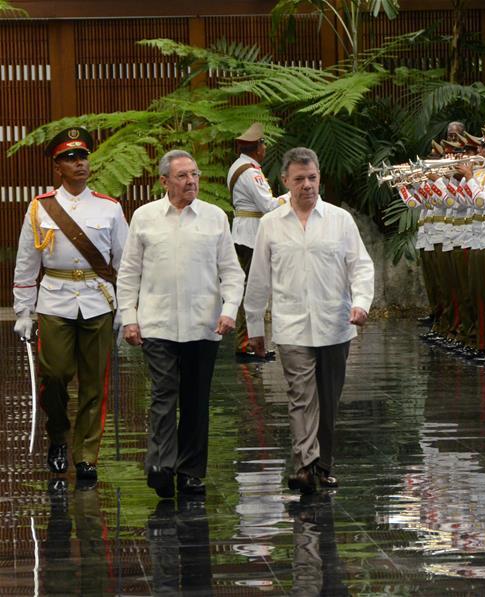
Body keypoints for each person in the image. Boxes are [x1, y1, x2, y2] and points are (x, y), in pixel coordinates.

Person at [244, 147, 374, 494]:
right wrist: (254, 327)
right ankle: (305, 464)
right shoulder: (271, 224)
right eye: (299, 179)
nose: (307, 185)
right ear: (284, 181)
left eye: (312, 178)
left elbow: (360, 265)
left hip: (335, 325)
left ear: (320, 179)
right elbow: (258, 278)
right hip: (292, 326)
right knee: (301, 396)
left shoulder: (339, 220)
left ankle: (324, 465)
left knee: (328, 400)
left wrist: (361, 303)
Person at [116, 149, 245, 498]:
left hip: (204, 324)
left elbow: (231, 271)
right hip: (156, 324)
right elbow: (128, 273)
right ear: (164, 181)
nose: (191, 181)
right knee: (162, 393)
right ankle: (160, 464)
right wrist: (129, 317)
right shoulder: (144, 218)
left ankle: (190, 471)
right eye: (183, 175)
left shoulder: (215, 217)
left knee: (195, 399)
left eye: (195, 174)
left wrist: (230, 309)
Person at [12, 127, 129, 482]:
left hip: (97, 300)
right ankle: (58, 435)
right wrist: (22, 310)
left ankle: (86, 456)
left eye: (82, 157)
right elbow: (27, 260)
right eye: (70, 158)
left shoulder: (109, 208)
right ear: (57, 167)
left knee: (95, 383)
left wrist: (126, 308)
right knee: (56, 375)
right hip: (55, 300)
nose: (79, 163)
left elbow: (125, 264)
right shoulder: (40, 207)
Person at [229, 122, 281, 363]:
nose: (265, 147)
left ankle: (248, 341)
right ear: (257, 147)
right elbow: (268, 206)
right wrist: (291, 195)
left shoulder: (237, 166)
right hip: (251, 235)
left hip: (243, 231)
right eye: (263, 143)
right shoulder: (251, 171)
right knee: (252, 289)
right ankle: (246, 342)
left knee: (247, 287)